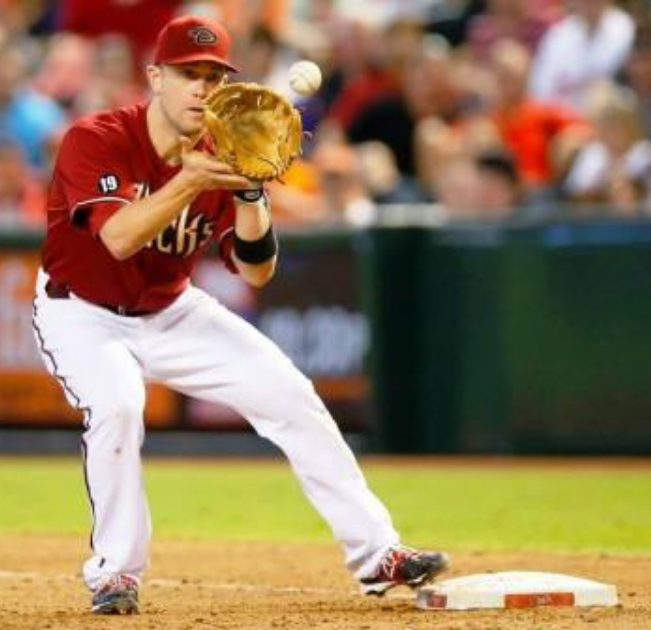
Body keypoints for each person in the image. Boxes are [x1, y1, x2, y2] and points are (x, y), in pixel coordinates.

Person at [31, 14, 449, 616]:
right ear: (156, 77)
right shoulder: (98, 138)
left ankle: (378, 553)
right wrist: (189, 181)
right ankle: (115, 573)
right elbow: (118, 238)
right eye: (188, 74)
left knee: (291, 394)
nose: (201, 88)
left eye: (213, 76)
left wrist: (252, 192)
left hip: (171, 308)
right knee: (118, 405)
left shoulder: (224, 151)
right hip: (82, 311)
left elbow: (256, 271)